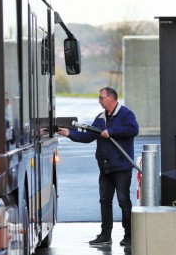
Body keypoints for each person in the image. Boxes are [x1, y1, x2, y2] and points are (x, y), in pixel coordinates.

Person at [58, 87, 139, 246]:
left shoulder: (126, 114)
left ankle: (129, 236)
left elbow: (133, 129)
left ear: (111, 98)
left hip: (122, 167)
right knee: (105, 201)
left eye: (101, 98)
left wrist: (112, 131)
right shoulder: (101, 118)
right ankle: (105, 235)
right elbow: (89, 136)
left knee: (123, 201)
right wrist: (69, 133)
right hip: (105, 168)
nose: (99, 100)